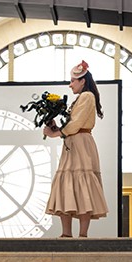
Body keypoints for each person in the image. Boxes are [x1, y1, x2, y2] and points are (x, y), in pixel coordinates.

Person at [44, 60, 108, 238]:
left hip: (79, 142)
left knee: (80, 184)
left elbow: (77, 123)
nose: (70, 84)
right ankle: (68, 234)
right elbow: (73, 123)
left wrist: (58, 132)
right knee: (69, 183)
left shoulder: (87, 96)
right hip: (74, 142)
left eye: (73, 80)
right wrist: (56, 127)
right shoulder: (81, 98)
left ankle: (80, 234)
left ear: (82, 81)